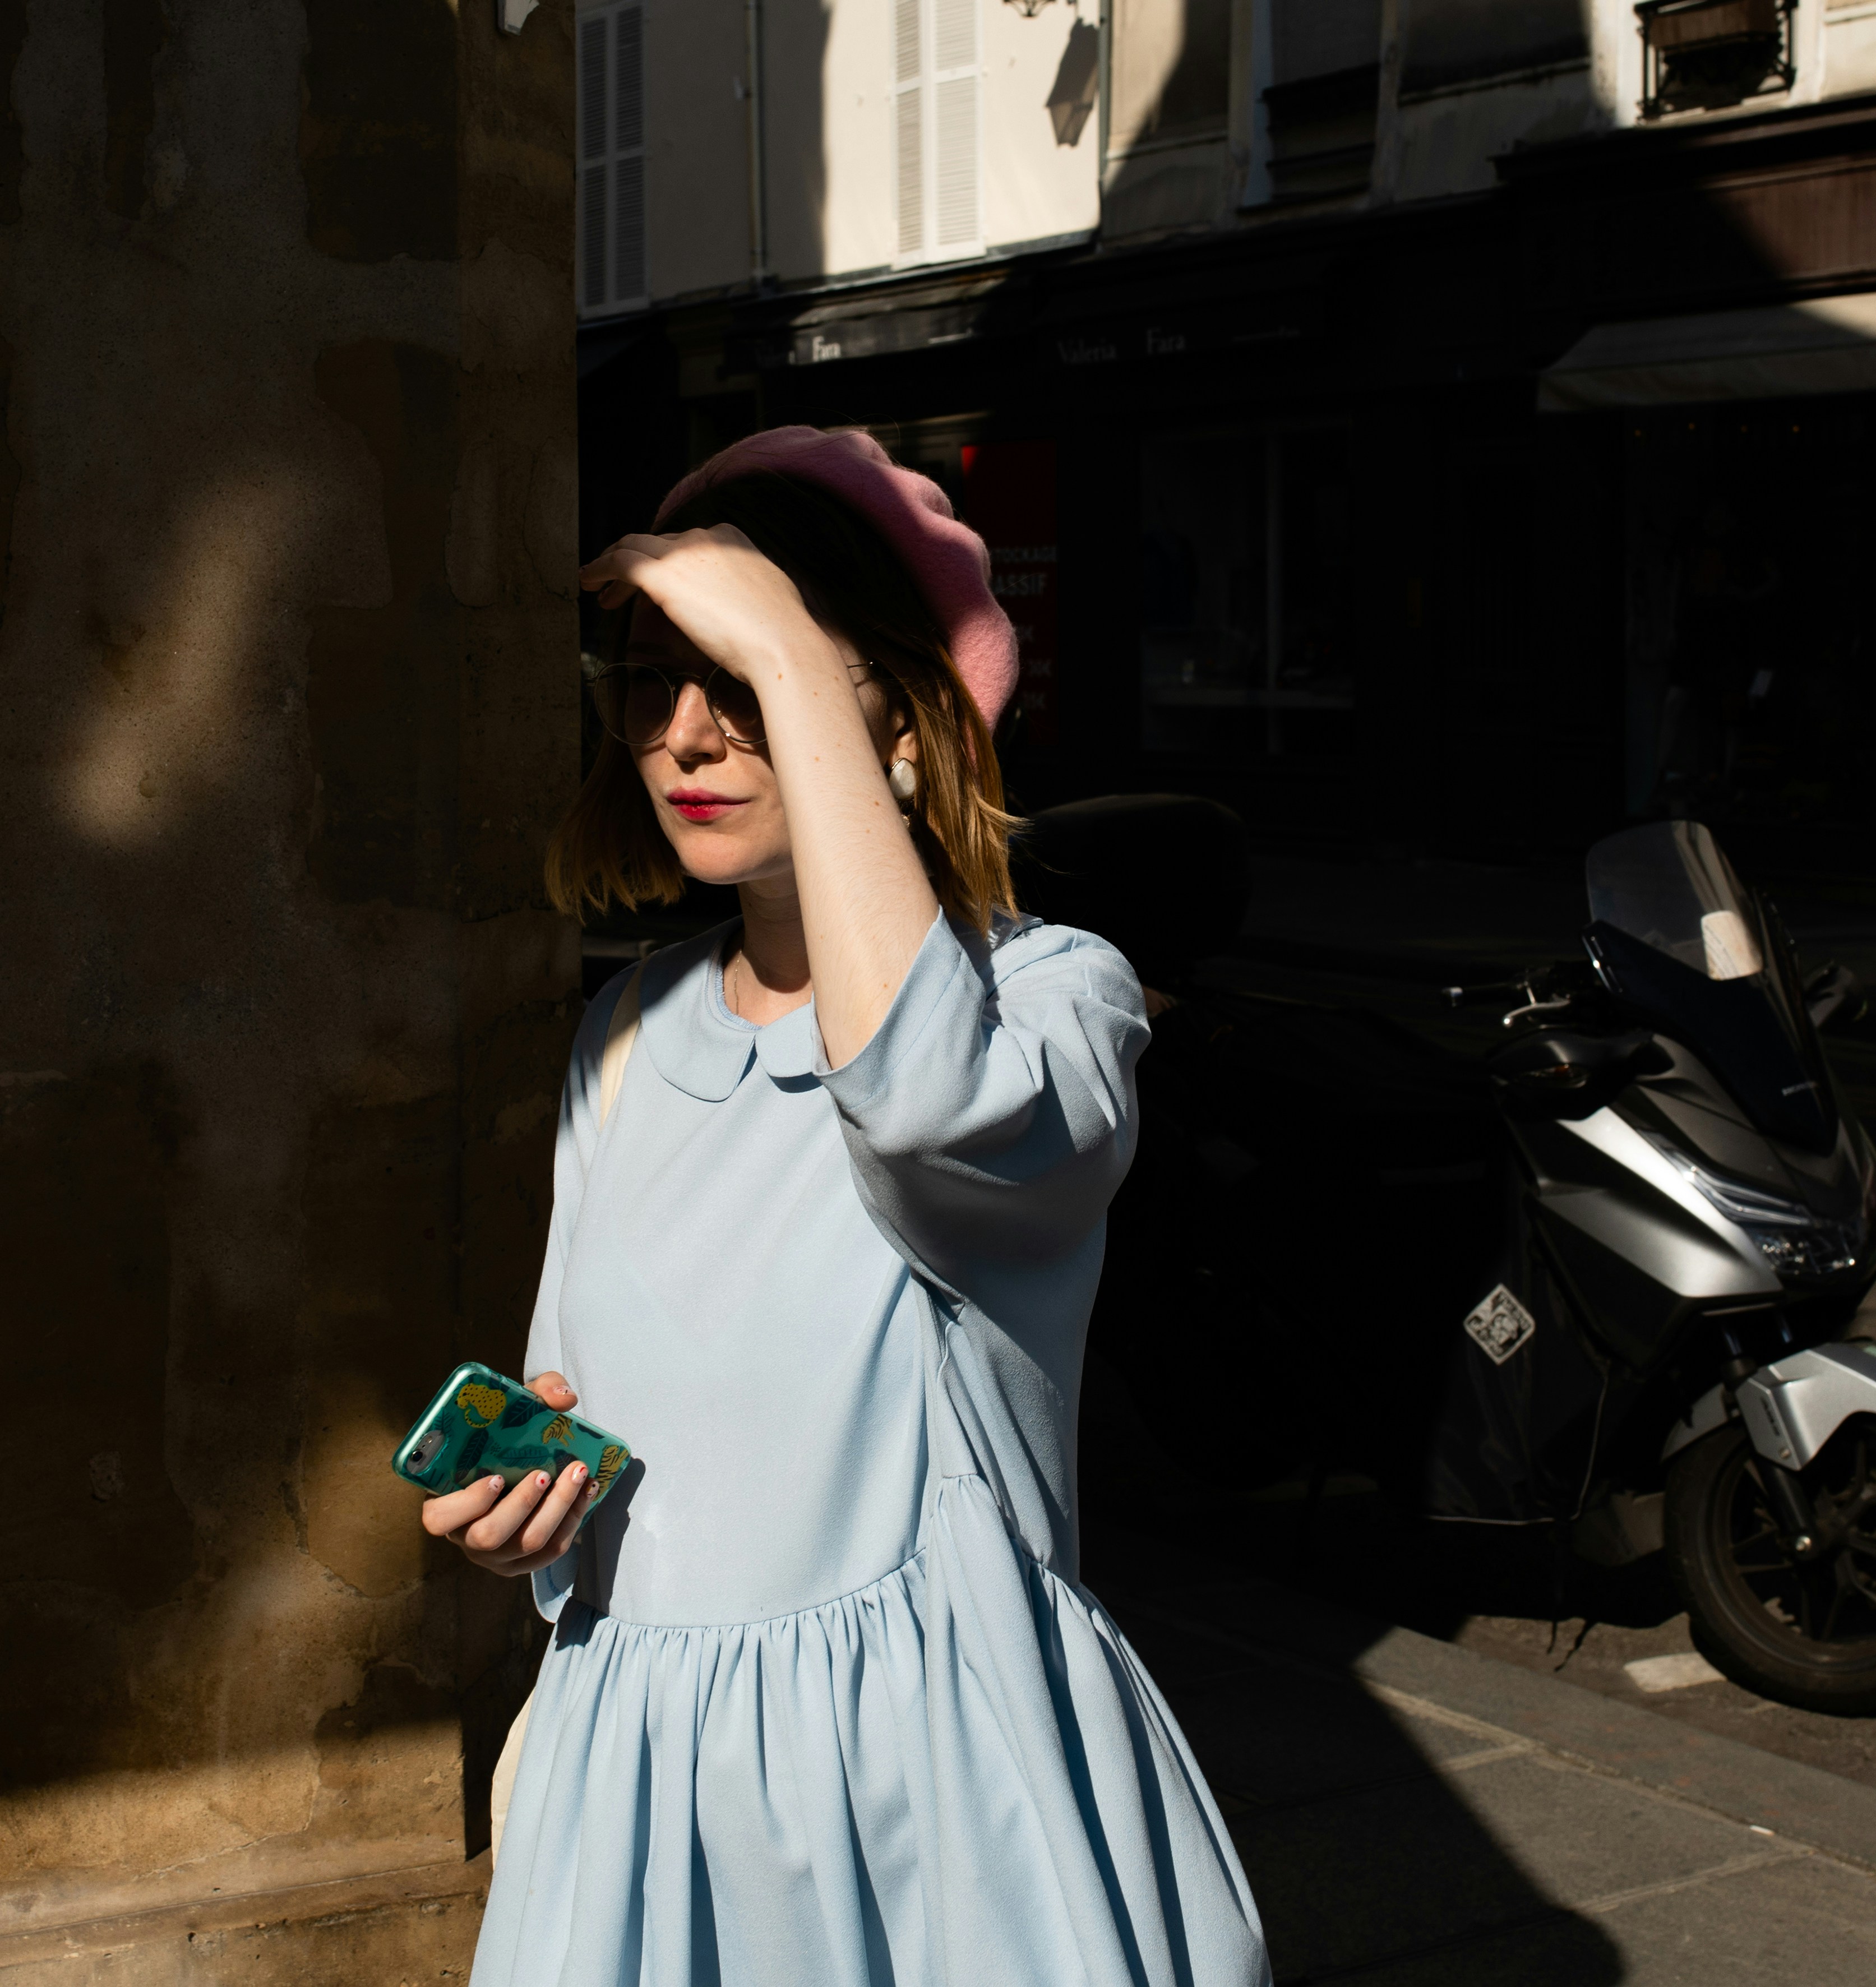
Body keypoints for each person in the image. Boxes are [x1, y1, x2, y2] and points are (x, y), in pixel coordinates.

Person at [417, 428, 1269, 1986]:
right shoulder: (625, 1035)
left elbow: (928, 1105)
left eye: (740, 682)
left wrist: (792, 657)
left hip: (918, 1798)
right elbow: (578, 1422)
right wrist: (516, 1516)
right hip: (640, 1792)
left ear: (887, 707)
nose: (683, 734)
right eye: (652, 680)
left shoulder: (1049, 998)